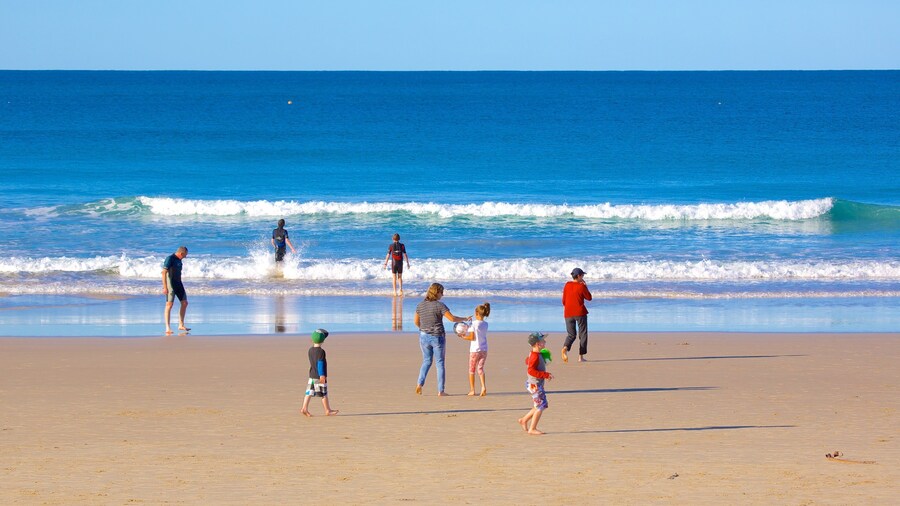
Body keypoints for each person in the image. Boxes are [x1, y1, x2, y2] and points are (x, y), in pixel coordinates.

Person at [413, 282, 470, 396]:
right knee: (439, 363)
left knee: (426, 361)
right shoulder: (440, 305)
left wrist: (424, 329)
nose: (442, 295)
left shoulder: (420, 305)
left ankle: (419, 384)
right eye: (441, 292)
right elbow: (452, 318)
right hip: (437, 337)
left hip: (423, 336)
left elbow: (416, 322)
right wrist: (465, 318)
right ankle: (441, 391)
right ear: (437, 292)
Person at [518, 332, 553, 435]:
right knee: (540, 406)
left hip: (535, 384)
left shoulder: (536, 354)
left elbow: (527, 361)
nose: (545, 342)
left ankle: (524, 420)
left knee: (540, 404)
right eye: (543, 341)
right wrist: (545, 375)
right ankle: (532, 428)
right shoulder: (535, 356)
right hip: (535, 385)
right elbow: (530, 370)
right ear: (538, 344)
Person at [300, 328, 339, 417]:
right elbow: (320, 364)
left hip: (312, 375)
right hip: (318, 376)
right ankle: (327, 410)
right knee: (324, 394)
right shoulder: (321, 352)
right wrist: (322, 375)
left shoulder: (310, 350)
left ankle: (304, 408)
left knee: (309, 393)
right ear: (323, 341)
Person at [459, 302, 491, 396]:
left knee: (471, 370)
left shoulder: (473, 324)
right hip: (484, 349)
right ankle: (483, 387)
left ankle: (472, 390)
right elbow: (477, 329)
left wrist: (463, 337)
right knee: (480, 369)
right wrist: (470, 323)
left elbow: (472, 337)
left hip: (474, 350)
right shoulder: (486, 324)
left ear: (476, 313)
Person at [562, 267, 593, 363]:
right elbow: (589, 298)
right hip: (580, 313)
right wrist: (585, 286)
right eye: (582, 275)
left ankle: (565, 348)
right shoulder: (581, 286)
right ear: (579, 276)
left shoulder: (567, 285)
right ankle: (581, 357)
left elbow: (563, 301)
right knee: (583, 334)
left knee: (571, 335)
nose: (583, 277)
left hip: (568, 313)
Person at [162, 246, 190, 334]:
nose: (185, 257)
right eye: (185, 255)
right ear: (181, 253)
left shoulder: (179, 260)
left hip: (178, 283)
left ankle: (181, 325)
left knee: (185, 303)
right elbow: (163, 272)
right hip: (170, 284)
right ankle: (167, 328)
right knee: (169, 305)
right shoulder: (170, 259)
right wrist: (165, 287)